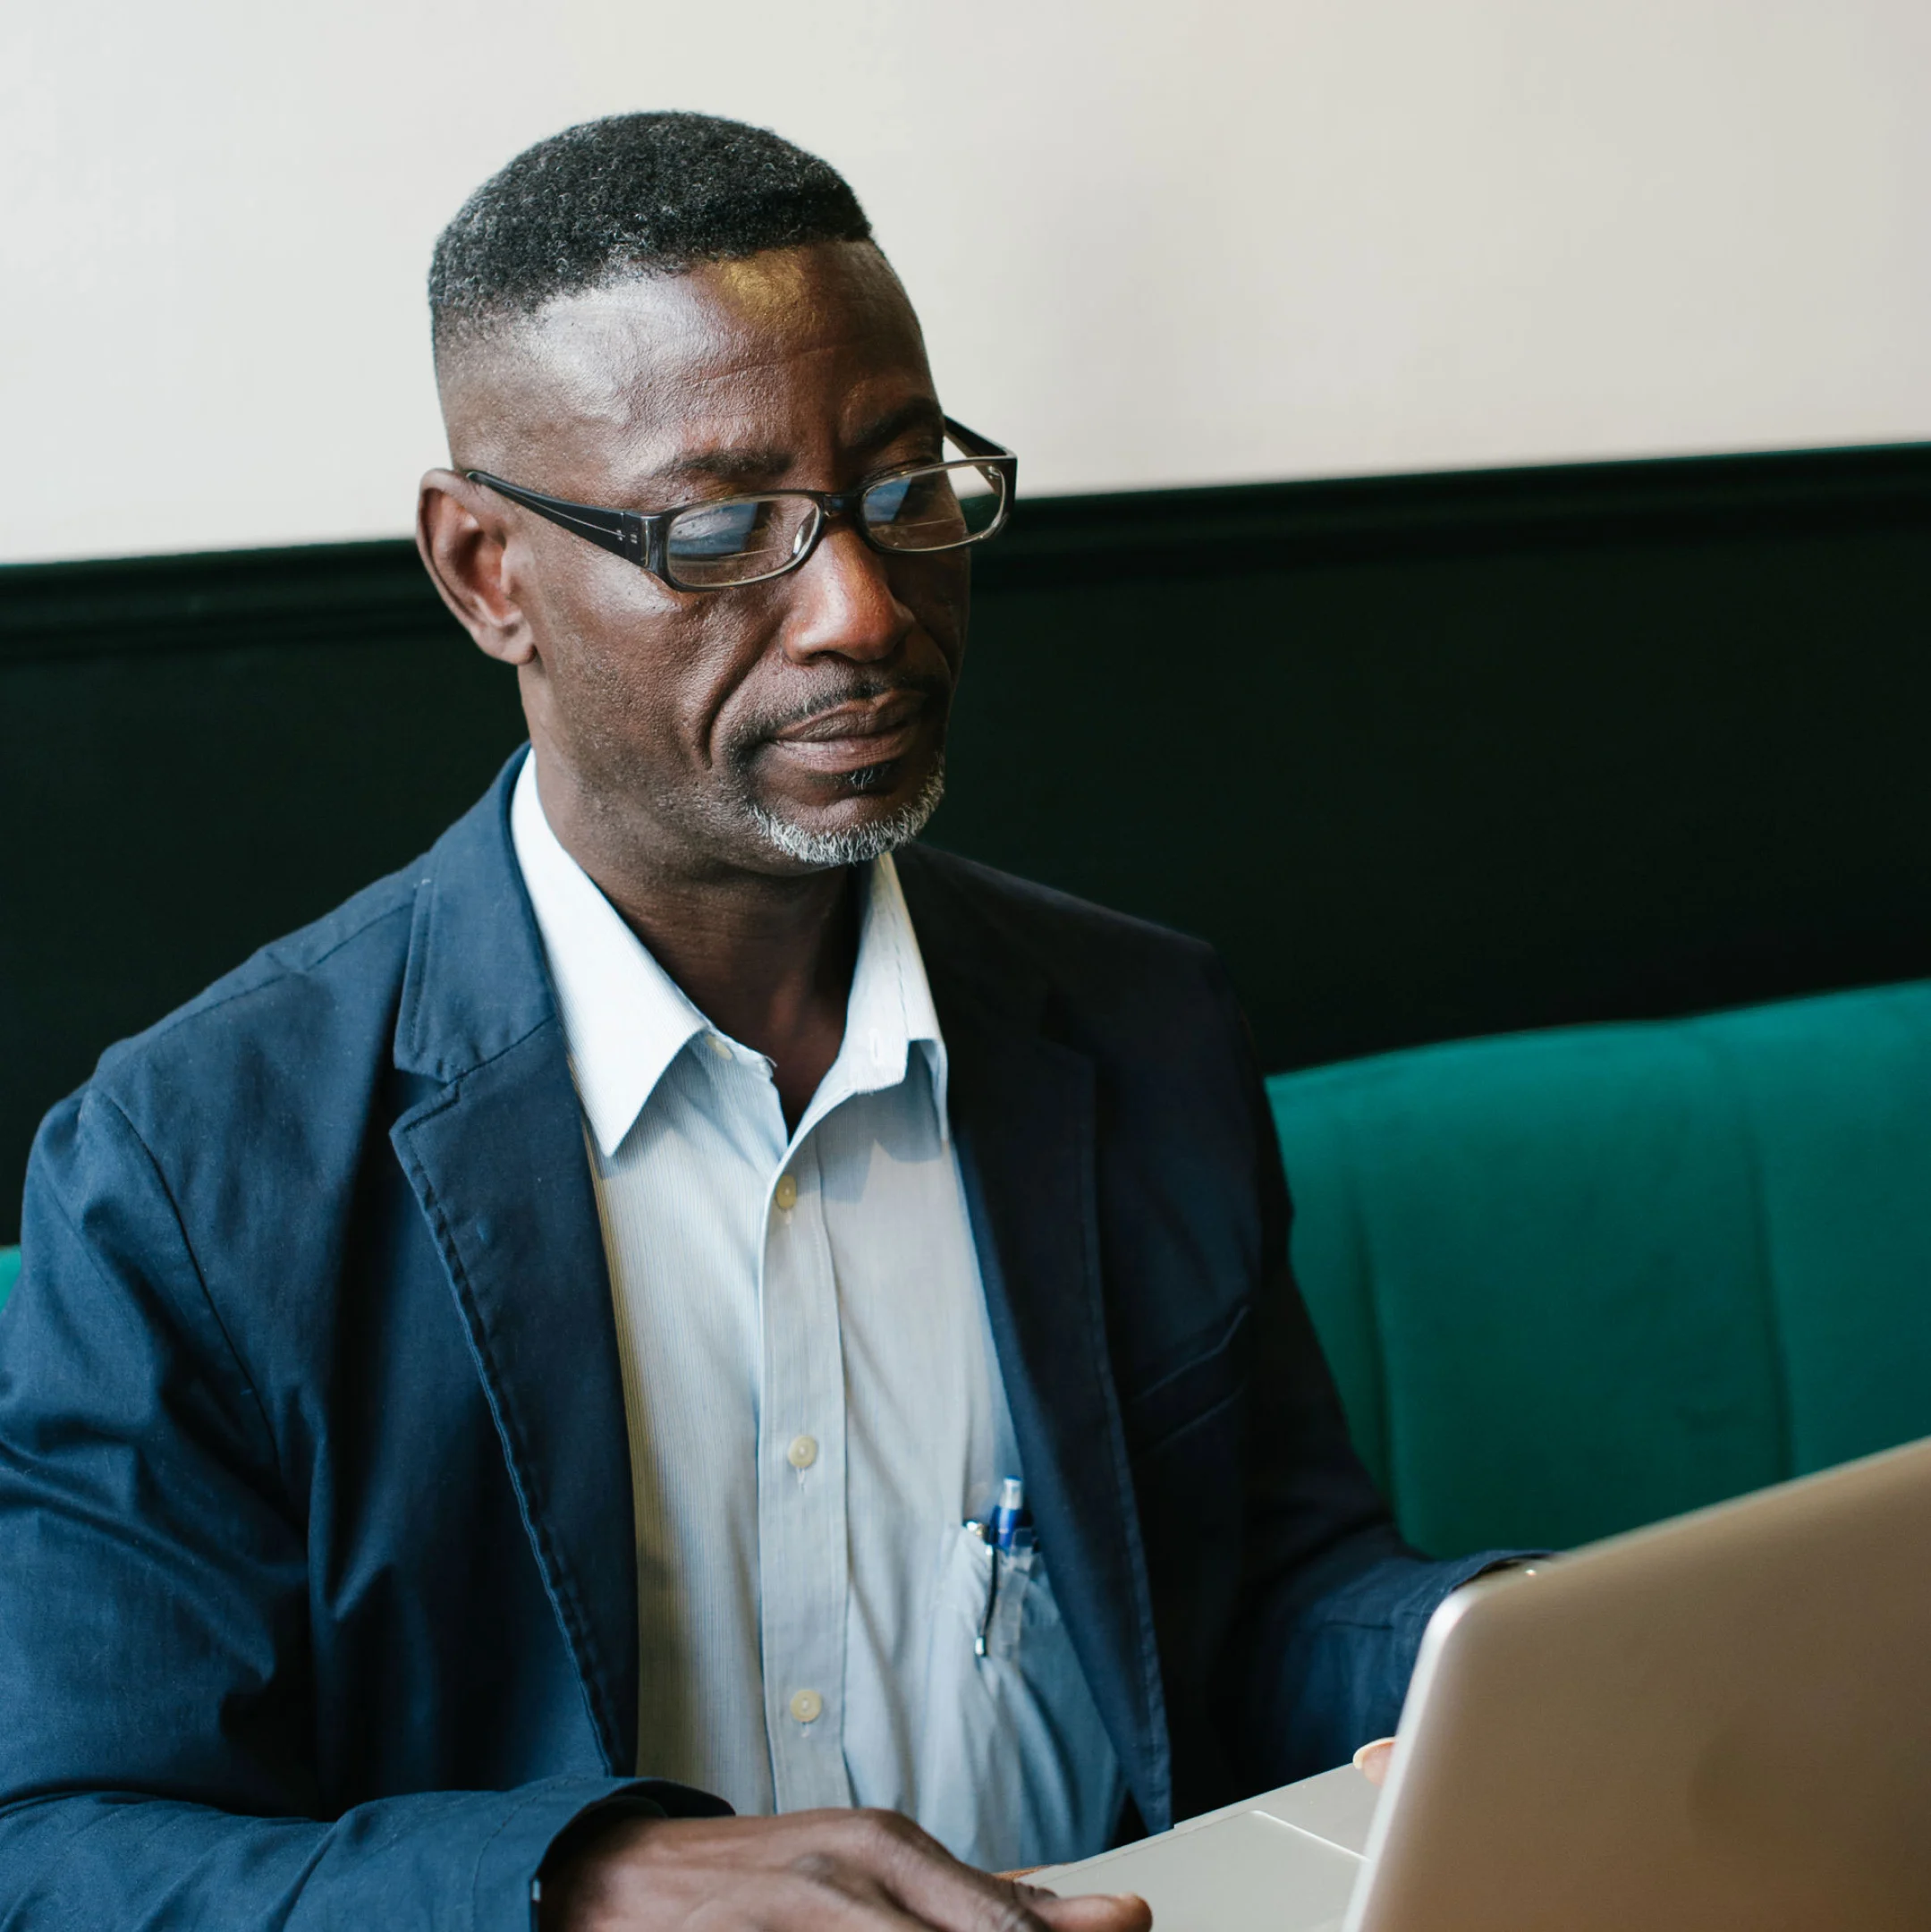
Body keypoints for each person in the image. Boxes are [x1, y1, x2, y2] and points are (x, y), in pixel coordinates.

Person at [0, 113, 1518, 1929]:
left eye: (905, 493)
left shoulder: (1141, 1026)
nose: (863, 610)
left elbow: (1264, 1589)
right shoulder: (194, 1166)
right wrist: (581, 1895)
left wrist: (1486, 1661)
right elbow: (59, 1846)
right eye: (723, 532)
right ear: (487, 570)